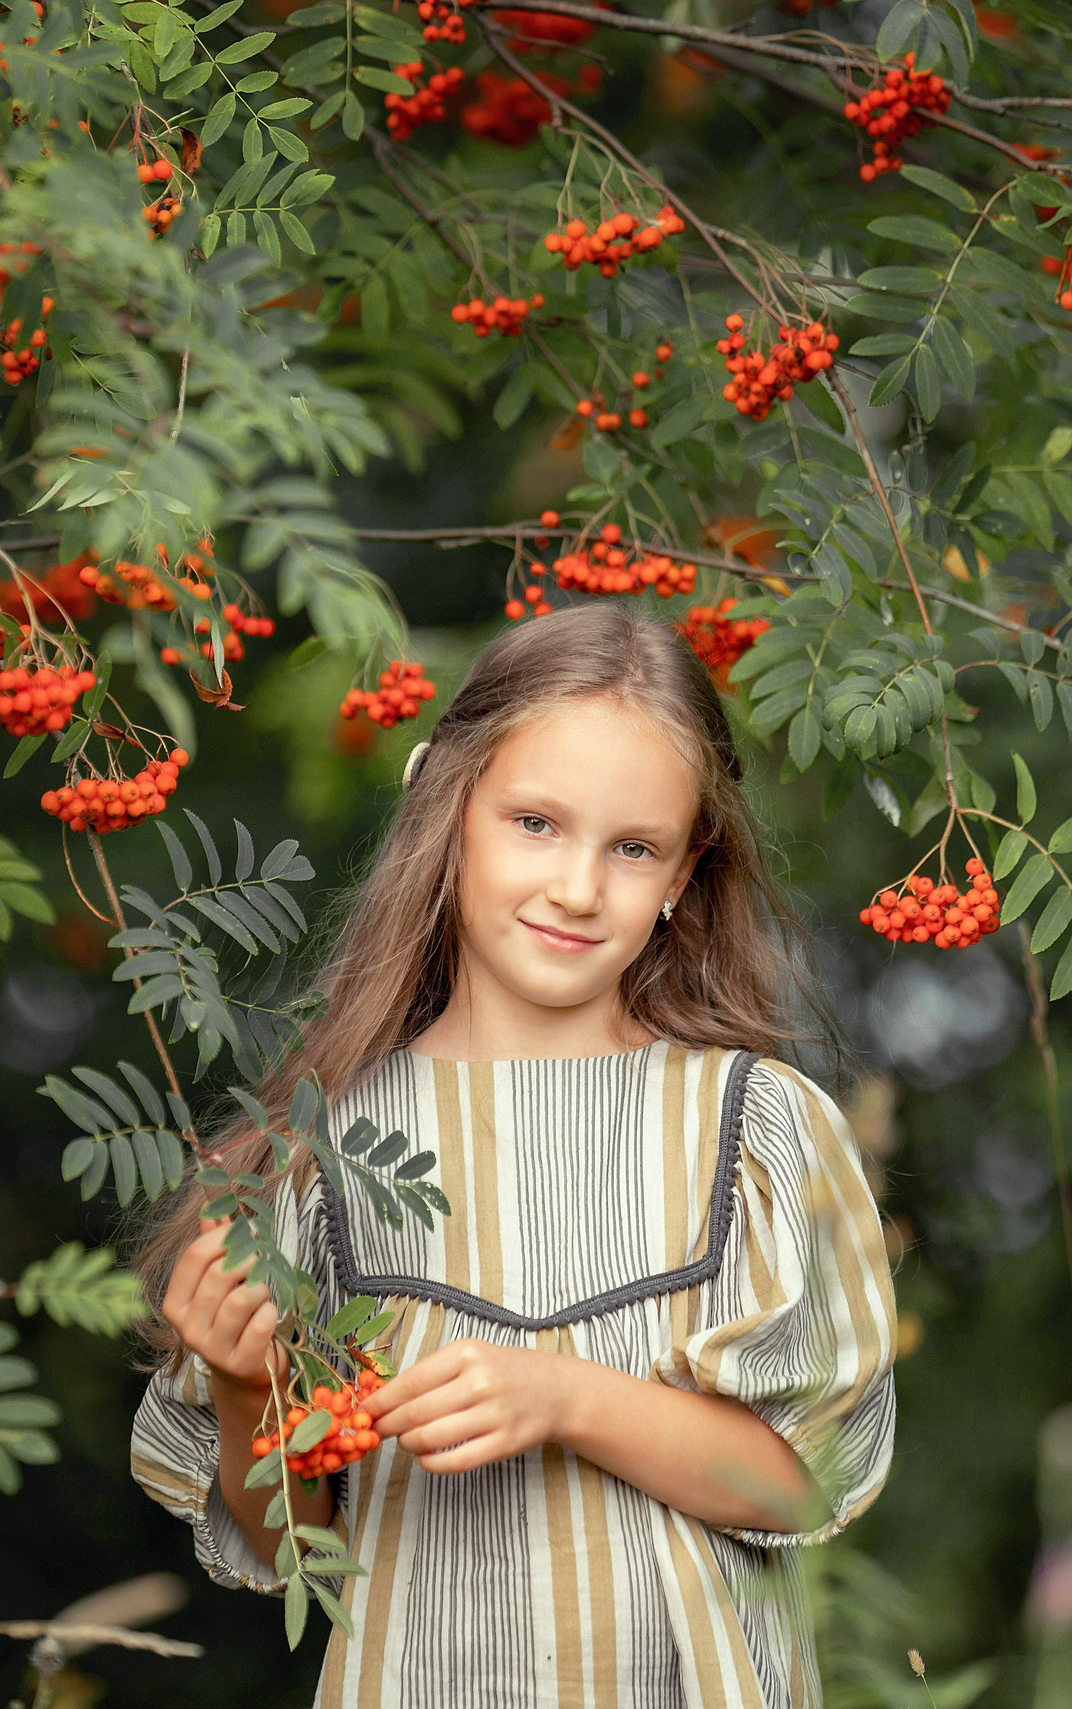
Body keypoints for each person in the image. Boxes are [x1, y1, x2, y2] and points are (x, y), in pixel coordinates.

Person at [127, 601, 897, 1708]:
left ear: (684, 873)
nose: (578, 887)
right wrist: (250, 1386)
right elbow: (302, 1553)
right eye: (535, 822)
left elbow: (795, 1484)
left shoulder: (755, 1126)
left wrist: (564, 1396)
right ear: (451, 810)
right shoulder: (321, 1148)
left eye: (633, 847)